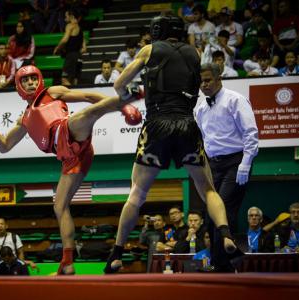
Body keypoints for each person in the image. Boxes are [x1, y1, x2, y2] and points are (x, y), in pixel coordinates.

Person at [0, 65, 143, 275]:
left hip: (66, 131)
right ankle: (67, 263)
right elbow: (4, 146)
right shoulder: (25, 119)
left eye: (34, 78)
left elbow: (89, 96)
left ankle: (132, 96)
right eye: (26, 80)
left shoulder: (51, 92)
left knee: (86, 115)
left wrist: (123, 109)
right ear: (19, 85)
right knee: (59, 206)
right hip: (70, 157)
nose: (31, 83)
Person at [104, 15, 237, 274]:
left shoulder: (149, 49)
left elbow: (118, 83)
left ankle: (117, 255)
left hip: (157, 125)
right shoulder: (195, 52)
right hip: (187, 125)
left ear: (158, 31)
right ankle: (227, 235)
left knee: (137, 193)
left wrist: (130, 94)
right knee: (208, 189)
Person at [194, 63, 259, 272]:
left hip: (236, 162)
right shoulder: (200, 108)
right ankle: (226, 259)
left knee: (225, 209)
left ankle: (223, 264)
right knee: (211, 213)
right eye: (201, 82)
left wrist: (246, 163)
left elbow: (251, 133)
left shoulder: (235, 99)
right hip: (213, 165)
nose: (204, 85)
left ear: (218, 78)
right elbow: (203, 141)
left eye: (207, 80)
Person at [54, 9, 86, 86]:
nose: (65, 19)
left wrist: (57, 49)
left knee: (64, 80)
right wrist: (77, 54)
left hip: (71, 56)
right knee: (74, 81)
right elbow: (84, 49)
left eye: (66, 16)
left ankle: (70, 97)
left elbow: (65, 40)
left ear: (71, 16)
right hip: (79, 58)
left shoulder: (70, 26)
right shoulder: (81, 30)